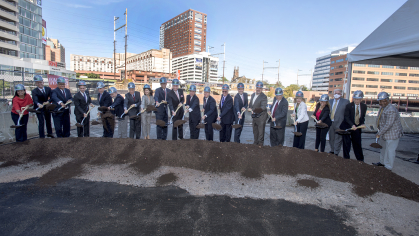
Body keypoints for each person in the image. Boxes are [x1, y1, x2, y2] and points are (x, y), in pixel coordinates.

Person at [373, 92, 403, 170]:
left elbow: (388, 124)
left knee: (390, 151)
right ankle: (382, 162)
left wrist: (379, 133)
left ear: (387, 100)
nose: (381, 103)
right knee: (383, 148)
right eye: (380, 101)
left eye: (383, 101)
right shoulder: (383, 107)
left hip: (392, 134)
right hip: (384, 133)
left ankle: (388, 167)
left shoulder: (391, 110)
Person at [340, 90, 367, 161]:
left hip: (357, 127)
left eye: (358, 99)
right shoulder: (349, 106)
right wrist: (352, 125)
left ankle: (360, 159)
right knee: (346, 143)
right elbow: (346, 117)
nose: (356, 101)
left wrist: (362, 124)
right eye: (355, 99)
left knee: (357, 143)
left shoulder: (364, 106)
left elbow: (362, 117)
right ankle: (346, 159)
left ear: (361, 99)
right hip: (347, 126)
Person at [329, 89, 349, 155]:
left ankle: (336, 152)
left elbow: (347, 113)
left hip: (340, 123)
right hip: (331, 122)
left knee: (338, 138)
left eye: (338, 93)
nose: (336, 94)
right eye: (335, 93)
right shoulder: (330, 101)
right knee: (331, 137)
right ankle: (332, 150)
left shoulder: (345, 102)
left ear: (341, 94)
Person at [248, 81, 268, 146]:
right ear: (255, 87)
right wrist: (249, 108)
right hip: (254, 116)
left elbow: (263, 107)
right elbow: (251, 104)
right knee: (255, 130)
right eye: (257, 87)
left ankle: (260, 144)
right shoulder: (253, 95)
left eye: (260, 88)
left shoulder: (264, 97)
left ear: (262, 89)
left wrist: (254, 110)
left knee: (261, 131)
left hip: (261, 117)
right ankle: (255, 143)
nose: (258, 89)